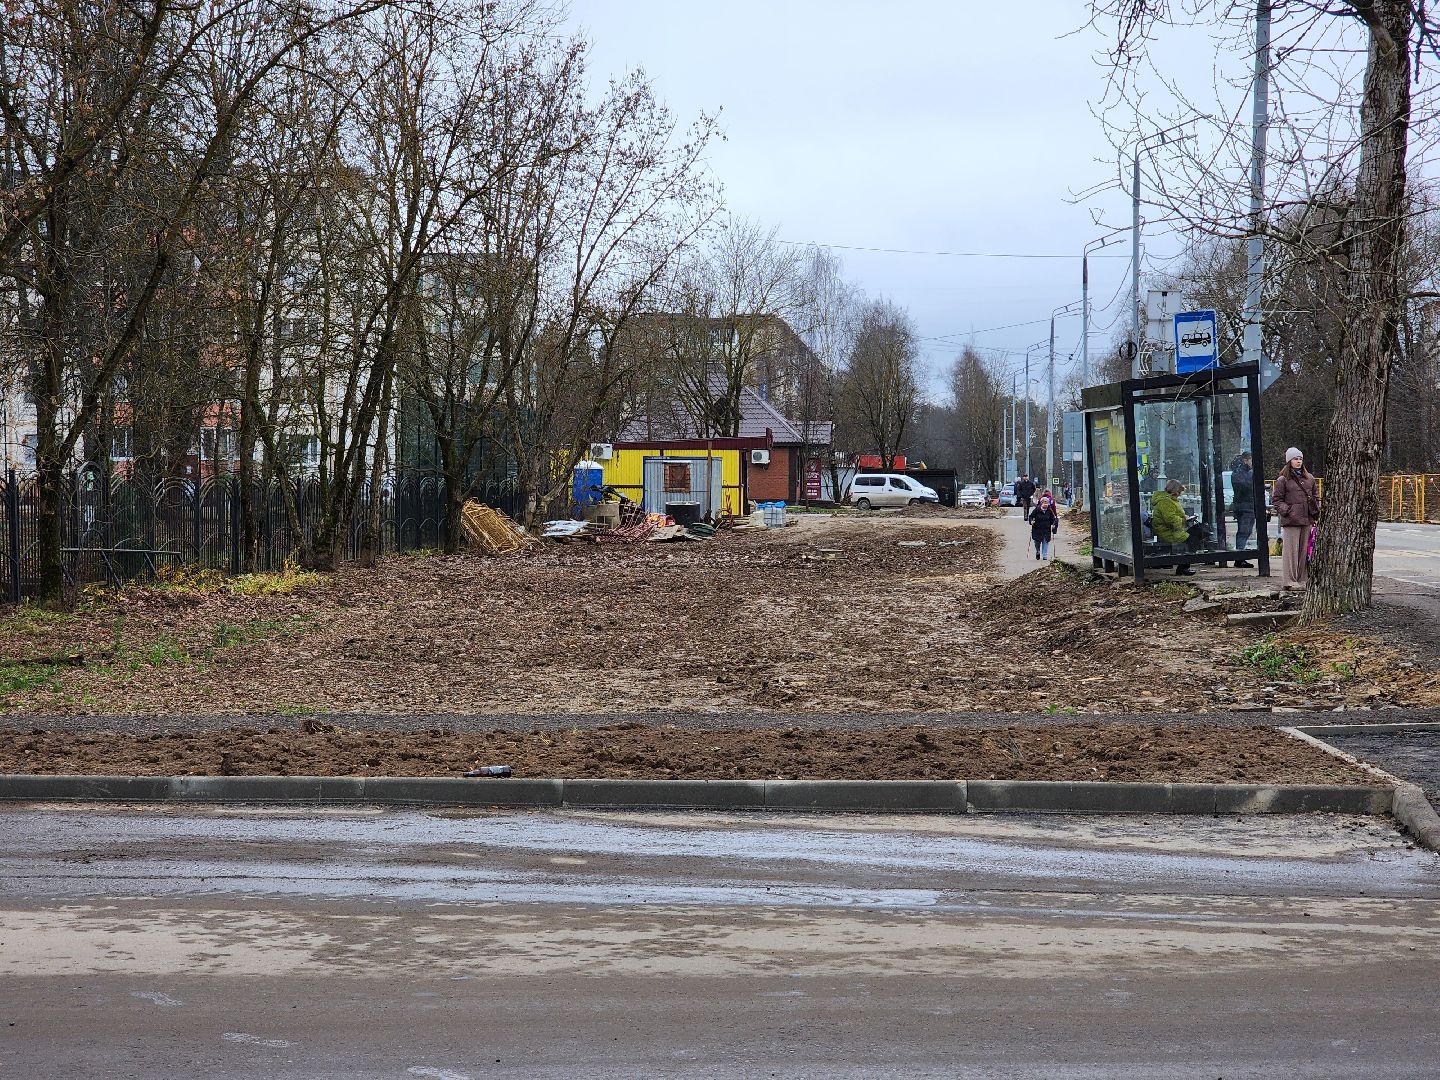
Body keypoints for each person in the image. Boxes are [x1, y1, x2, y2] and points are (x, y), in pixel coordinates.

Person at [1272, 447, 1320, 591]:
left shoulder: (1309, 478)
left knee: (1304, 551)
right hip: (1291, 521)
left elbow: (1315, 496)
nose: (1298, 461)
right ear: (1289, 461)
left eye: (1300, 458)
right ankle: (1289, 580)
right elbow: (1277, 500)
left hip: (1306, 520)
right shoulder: (1283, 480)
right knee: (1291, 552)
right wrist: (1288, 511)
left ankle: (1302, 579)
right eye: (1295, 459)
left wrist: (1314, 512)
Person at [1150, 479, 1195, 576]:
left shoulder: (1169, 499)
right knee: (1191, 540)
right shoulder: (1166, 501)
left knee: (1192, 537)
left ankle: (1183, 566)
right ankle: (1183, 567)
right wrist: (1184, 519)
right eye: (1179, 491)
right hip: (1166, 531)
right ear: (1174, 491)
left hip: (1170, 529)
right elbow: (1170, 519)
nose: (1179, 494)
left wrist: (1184, 518)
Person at [1230, 450, 1256, 568]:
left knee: (1246, 531)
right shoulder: (1239, 472)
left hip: (1248, 505)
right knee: (1243, 531)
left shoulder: (1244, 472)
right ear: (1246, 460)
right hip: (1245, 506)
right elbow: (1244, 486)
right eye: (1251, 460)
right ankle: (1240, 557)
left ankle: (1240, 556)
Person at [1030, 491, 1059, 561]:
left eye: (1047, 502)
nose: (1046, 504)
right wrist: (1031, 521)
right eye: (1044, 502)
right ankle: (1038, 551)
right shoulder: (1037, 510)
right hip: (1037, 529)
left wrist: (1054, 525)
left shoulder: (1049, 510)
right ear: (1041, 503)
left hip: (1046, 529)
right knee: (1037, 542)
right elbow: (1031, 516)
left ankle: (1045, 556)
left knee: (1045, 542)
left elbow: (1054, 519)